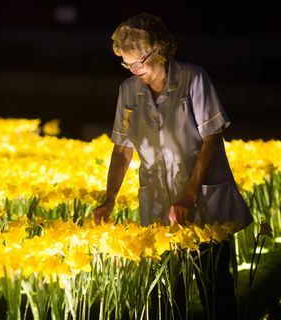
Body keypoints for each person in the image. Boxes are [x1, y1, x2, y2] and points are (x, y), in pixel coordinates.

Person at [93, 12, 253, 319]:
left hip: (204, 203)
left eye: (139, 61)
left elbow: (212, 137)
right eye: (127, 63)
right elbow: (123, 148)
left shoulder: (193, 79)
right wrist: (109, 198)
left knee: (215, 288)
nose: (134, 69)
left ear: (160, 49)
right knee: (166, 292)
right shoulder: (128, 92)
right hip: (157, 204)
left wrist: (189, 194)